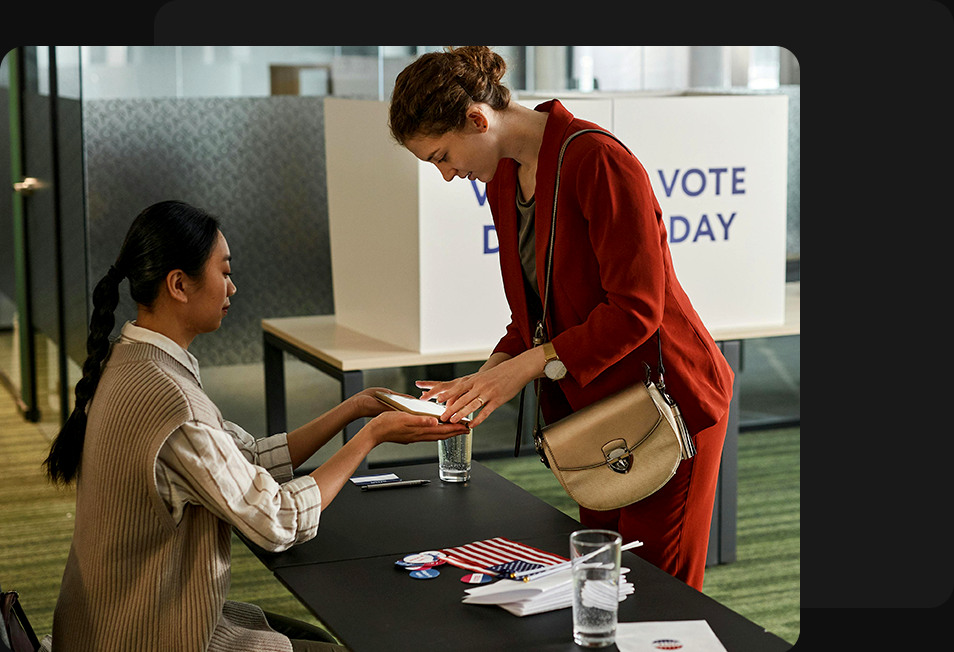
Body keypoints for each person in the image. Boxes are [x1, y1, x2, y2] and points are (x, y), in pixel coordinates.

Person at [43, 200, 468, 651]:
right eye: (224, 272)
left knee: (314, 636)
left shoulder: (131, 361)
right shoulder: (172, 402)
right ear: (179, 285)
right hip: (147, 633)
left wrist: (356, 407)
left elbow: (245, 459)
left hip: (107, 623)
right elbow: (277, 521)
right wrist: (371, 436)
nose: (233, 287)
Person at [388, 47, 734, 591]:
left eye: (441, 156)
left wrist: (523, 368)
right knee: (601, 583)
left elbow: (636, 310)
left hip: (669, 403)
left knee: (657, 596)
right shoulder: (505, 179)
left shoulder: (597, 159)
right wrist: (487, 378)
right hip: (600, 412)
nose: (448, 175)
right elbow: (534, 316)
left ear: (479, 119)